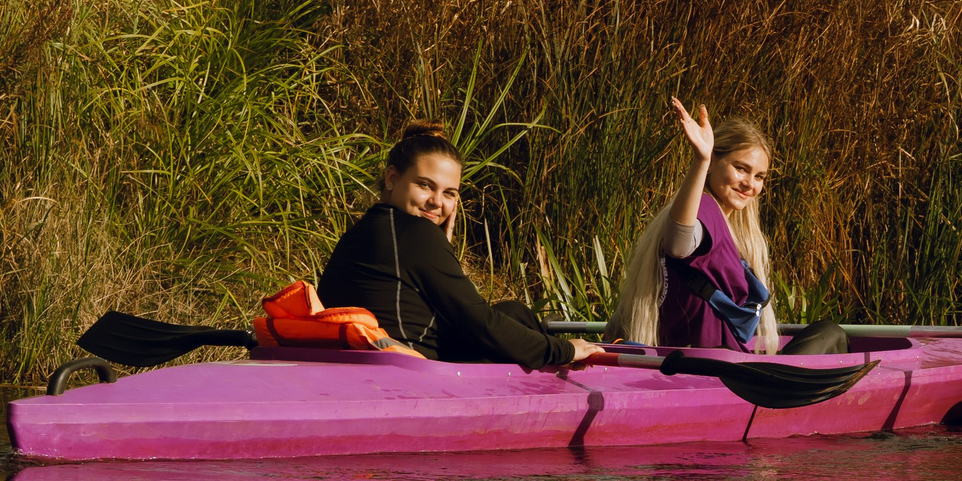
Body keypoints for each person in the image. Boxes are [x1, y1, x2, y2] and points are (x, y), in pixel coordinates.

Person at [316, 121, 605, 369]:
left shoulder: (369, 227)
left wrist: (441, 248)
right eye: (425, 185)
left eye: (449, 193)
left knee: (514, 312)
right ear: (392, 178)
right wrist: (563, 351)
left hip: (376, 362)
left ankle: (548, 337)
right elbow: (480, 322)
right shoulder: (415, 234)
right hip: (408, 374)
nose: (436, 202)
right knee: (515, 328)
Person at [612, 99, 847, 354]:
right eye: (740, 168)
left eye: (759, 177)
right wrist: (700, 160)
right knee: (831, 334)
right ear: (713, 162)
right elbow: (678, 244)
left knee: (826, 333)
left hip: (718, 364)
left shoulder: (724, 224)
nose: (750, 184)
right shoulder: (706, 210)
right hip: (712, 371)